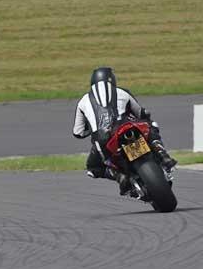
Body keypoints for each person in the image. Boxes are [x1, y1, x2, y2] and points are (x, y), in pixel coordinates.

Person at [72, 67, 177, 195]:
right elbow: (141, 112)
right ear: (112, 80)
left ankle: (119, 176)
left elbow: (78, 132)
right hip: (126, 127)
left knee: (93, 169)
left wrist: (93, 130)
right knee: (151, 125)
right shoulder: (122, 92)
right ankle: (162, 154)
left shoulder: (82, 101)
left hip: (103, 139)